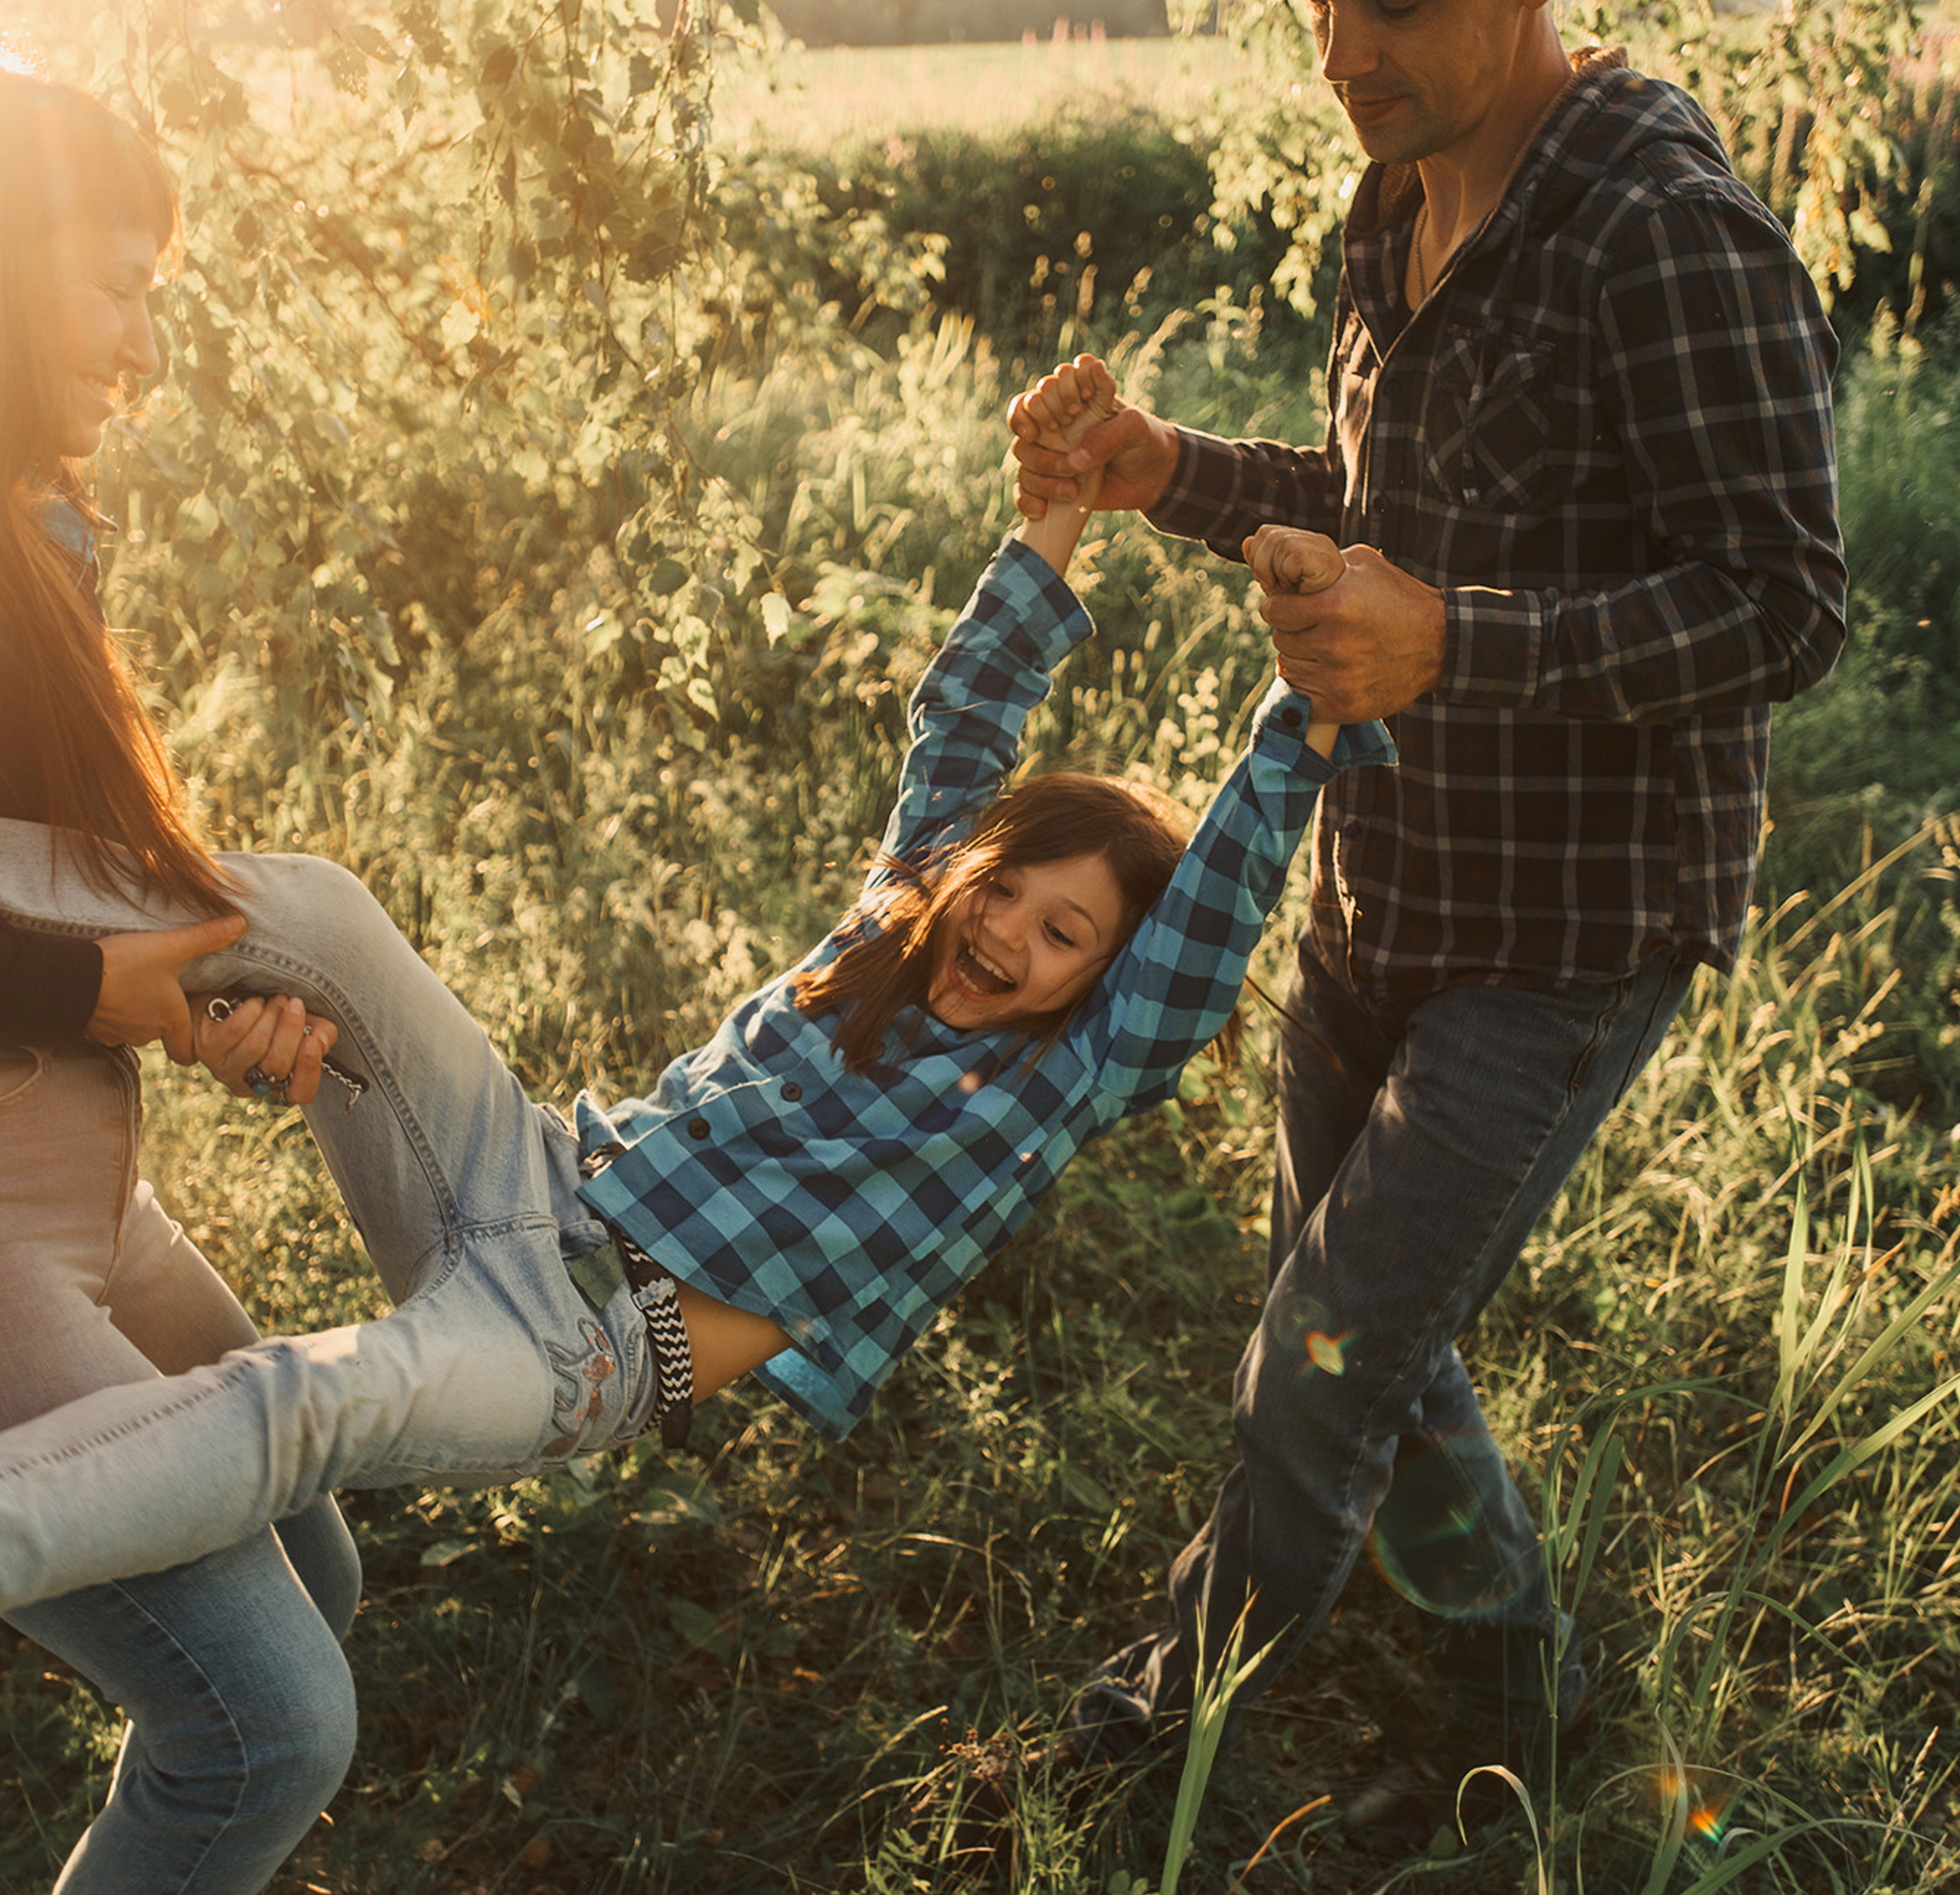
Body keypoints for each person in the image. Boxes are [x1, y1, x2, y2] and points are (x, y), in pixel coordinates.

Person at [0, 363, 1394, 1645]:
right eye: (1006, 890)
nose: (1008, 932)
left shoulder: (1067, 1077)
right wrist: (1058, 510)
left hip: (587, 1345)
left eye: (1065, 935)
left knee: (300, 1402)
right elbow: (968, 715)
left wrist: (1311, 691)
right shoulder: (899, 923)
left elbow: (1214, 909)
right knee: (318, 912)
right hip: (530, 1170)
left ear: (1108, 983)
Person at [1006, 0, 1846, 1841]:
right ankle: (1511, 1711)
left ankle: (1156, 1732)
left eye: (1387, 0)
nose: (1340, 52)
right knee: (1365, 1326)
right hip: (1378, 873)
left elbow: (1786, 603)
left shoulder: (1663, 226)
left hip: (1569, 926)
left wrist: (1455, 642)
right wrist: (1163, 472)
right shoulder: (1383, 202)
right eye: (1316, 0)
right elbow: (1390, 491)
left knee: (1321, 1361)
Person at [0, 71, 362, 1890]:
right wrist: (90, 992)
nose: (146, 346)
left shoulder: (37, 528)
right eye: (115, 286)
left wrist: (193, 999)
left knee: (316, 1547)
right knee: (268, 1718)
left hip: (87, 1193)